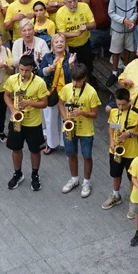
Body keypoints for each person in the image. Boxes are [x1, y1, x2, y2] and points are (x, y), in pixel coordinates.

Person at [4, 54, 50, 191]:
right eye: (21, 70)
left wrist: (30, 103)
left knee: (35, 151)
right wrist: (12, 109)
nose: (24, 73)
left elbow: (44, 104)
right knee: (16, 149)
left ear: (32, 69)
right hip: (16, 120)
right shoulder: (13, 79)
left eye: (27, 70)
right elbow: (6, 95)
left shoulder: (39, 83)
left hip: (33, 123)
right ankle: (17, 173)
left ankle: (35, 174)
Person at [59, 63, 101, 198]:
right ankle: (74, 179)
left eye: (78, 81)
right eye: (73, 80)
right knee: (71, 154)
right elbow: (61, 103)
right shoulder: (67, 88)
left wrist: (82, 112)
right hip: (69, 126)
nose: (75, 84)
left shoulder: (91, 92)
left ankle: (86, 182)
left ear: (84, 79)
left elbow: (95, 114)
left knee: (87, 156)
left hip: (86, 130)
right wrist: (65, 118)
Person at [102, 87, 138, 209]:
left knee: (132, 177)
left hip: (131, 152)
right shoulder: (114, 111)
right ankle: (115, 195)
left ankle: (133, 200)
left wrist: (130, 134)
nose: (120, 107)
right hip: (116, 149)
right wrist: (111, 141)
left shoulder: (137, 113)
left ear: (129, 101)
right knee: (116, 174)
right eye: (118, 104)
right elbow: (111, 127)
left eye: (123, 104)